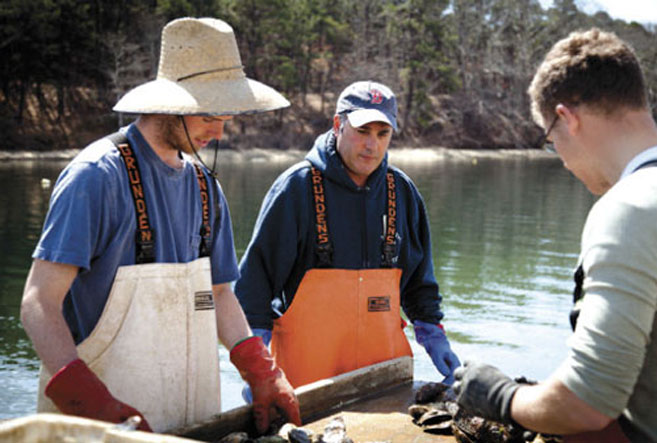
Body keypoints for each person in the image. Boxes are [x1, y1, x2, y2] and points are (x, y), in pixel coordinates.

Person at [20, 17, 301, 435]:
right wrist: (88, 401)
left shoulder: (206, 187)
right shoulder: (96, 176)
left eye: (227, 114)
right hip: (95, 429)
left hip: (190, 419)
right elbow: (39, 304)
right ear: (171, 104)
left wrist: (260, 369)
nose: (221, 130)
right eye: (209, 112)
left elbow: (221, 294)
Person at [453, 28, 657, 442]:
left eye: (550, 140)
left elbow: (588, 403)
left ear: (567, 118)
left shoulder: (630, 207)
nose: (561, 160)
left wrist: (500, 394)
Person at [234, 80, 460, 392]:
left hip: (383, 384)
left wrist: (434, 335)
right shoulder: (296, 188)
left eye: (383, 134)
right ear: (338, 124)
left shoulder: (403, 192)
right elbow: (254, 287)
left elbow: (420, 284)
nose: (373, 145)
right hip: (305, 386)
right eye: (363, 131)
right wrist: (257, 370)